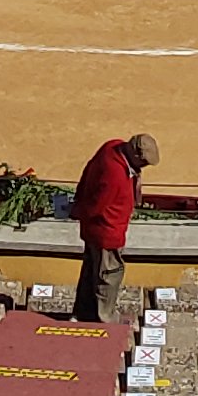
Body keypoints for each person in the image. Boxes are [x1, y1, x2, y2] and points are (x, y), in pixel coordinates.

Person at [71, 133, 157, 323]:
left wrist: (78, 205)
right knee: (108, 276)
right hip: (108, 232)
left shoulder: (111, 147)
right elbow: (99, 205)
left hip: (95, 229)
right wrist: (82, 212)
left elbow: (88, 170)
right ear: (135, 156)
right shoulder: (115, 175)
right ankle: (105, 318)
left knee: (90, 273)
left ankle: (83, 313)